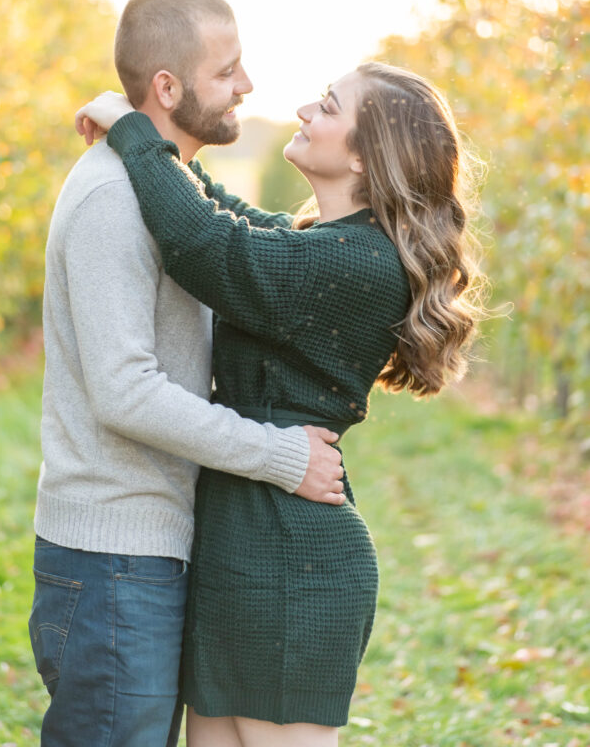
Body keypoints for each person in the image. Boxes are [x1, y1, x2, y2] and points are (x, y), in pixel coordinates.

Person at [76, 59, 483, 747]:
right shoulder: (324, 244)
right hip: (237, 543)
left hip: (296, 566)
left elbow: (207, 244)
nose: (303, 111)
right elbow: (226, 216)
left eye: (327, 107)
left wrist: (136, 133)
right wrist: (159, 140)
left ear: (364, 153)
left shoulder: (358, 262)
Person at [30, 0, 346, 747]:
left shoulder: (157, 186)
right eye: (227, 71)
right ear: (168, 89)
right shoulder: (114, 198)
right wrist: (278, 456)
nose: (247, 86)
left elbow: (238, 233)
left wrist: (123, 116)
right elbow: (125, 393)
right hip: (112, 559)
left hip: (141, 556)